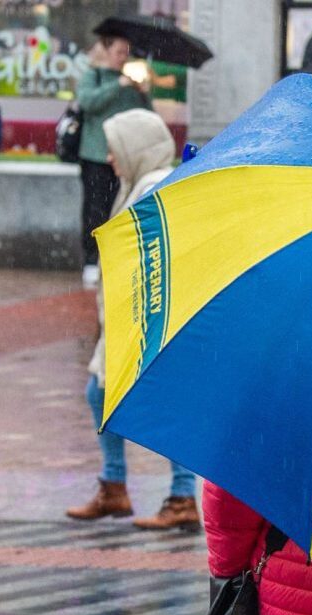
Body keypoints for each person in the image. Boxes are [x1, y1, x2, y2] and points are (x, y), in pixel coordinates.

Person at [67, 109, 200, 531]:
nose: (109, 157)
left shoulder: (152, 186)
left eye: (115, 147)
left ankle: (179, 495)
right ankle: (118, 486)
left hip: (144, 318)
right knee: (102, 392)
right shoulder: (141, 184)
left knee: (158, 402)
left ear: (137, 147)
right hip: (134, 317)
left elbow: (152, 255)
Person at [74, 33, 150, 289]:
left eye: (126, 52)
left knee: (121, 210)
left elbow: (146, 118)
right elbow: (88, 102)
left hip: (125, 158)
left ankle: (114, 261)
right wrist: (117, 84)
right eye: (118, 51)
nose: (123, 57)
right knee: (95, 211)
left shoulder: (132, 84)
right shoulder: (94, 76)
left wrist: (144, 93)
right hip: (96, 156)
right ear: (106, 51)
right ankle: (91, 261)